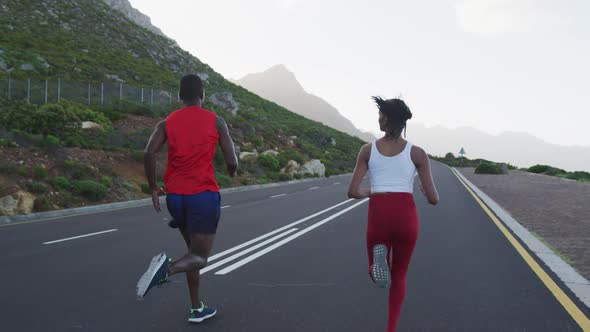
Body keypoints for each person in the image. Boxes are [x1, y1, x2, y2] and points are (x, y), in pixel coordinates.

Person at [136, 74, 238, 324]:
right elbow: (232, 160)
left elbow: (149, 152)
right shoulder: (216, 121)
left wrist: (153, 187)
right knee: (200, 257)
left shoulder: (166, 123)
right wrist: (232, 172)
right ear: (202, 95)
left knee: (191, 253)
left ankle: (196, 308)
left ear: (179, 96)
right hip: (202, 196)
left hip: (176, 197)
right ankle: (165, 270)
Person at [347, 97, 439, 332]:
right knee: (400, 275)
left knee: (377, 260)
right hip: (406, 214)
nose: (379, 118)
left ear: (388, 118)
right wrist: (422, 189)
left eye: (381, 115)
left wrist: (371, 192)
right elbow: (434, 199)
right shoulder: (417, 153)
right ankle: (391, 328)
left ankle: (374, 265)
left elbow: (352, 191)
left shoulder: (367, 150)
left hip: (380, 211)